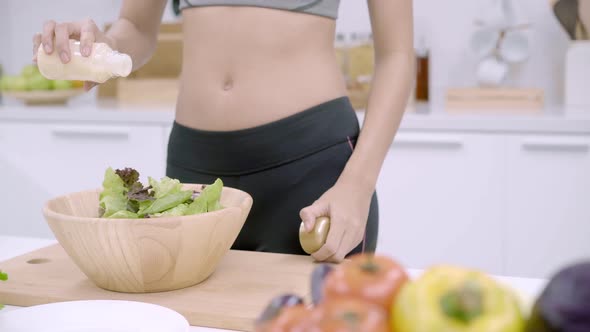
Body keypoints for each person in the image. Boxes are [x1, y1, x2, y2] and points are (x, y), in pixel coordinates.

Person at [33, 0, 414, 263]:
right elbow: (136, 27)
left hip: (312, 176)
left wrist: (357, 187)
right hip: (193, 175)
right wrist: (103, 48)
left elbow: (397, 53)